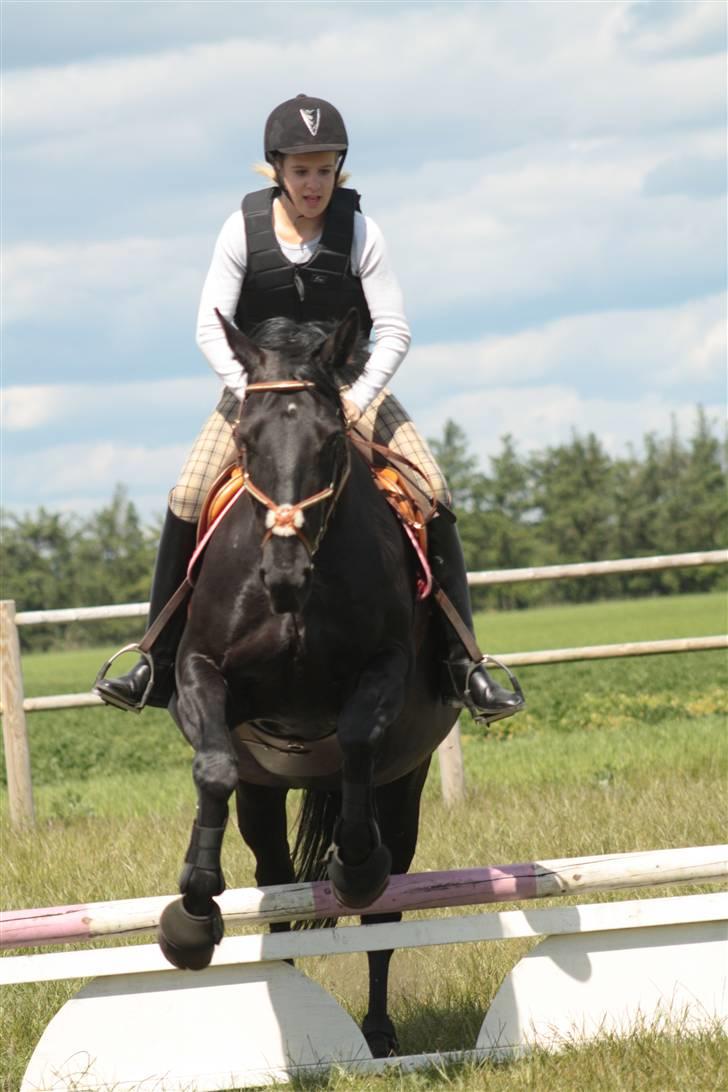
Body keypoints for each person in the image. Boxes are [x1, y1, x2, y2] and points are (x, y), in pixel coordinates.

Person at [94, 94, 524, 724]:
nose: (313, 183)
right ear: (277, 170)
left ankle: (464, 664)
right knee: (188, 493)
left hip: (347, 382)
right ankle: (152, 658)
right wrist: (256, 397)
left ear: (338, 170)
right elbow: (209, 329)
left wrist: (352, 398)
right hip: (260, 387)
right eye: (301, 170)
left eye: (325, 170)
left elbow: (395, 329)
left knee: (433, 490)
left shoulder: (363, 230)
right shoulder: (239, 229)